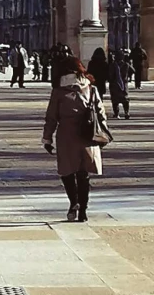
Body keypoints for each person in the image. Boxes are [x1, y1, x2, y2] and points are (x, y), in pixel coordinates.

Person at [43, 56, 111, 221]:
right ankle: (83, 210)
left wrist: (47, 139)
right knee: (83, 173)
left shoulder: (59, 91)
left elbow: (51, 117)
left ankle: (74, 202)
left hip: (66, 135)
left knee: (67, 171)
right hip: (87, 133)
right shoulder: (91, 89)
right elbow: (101, 113)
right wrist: (103, 134)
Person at [106, 51, 131, 120]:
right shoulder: (126, 64)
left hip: (114, 84)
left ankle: (116, 114)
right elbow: (133, 70)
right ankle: (126, 112)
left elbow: (109, 75)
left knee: (115, 100)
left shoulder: (112, 65)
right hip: (123, 84)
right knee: (125, 99)